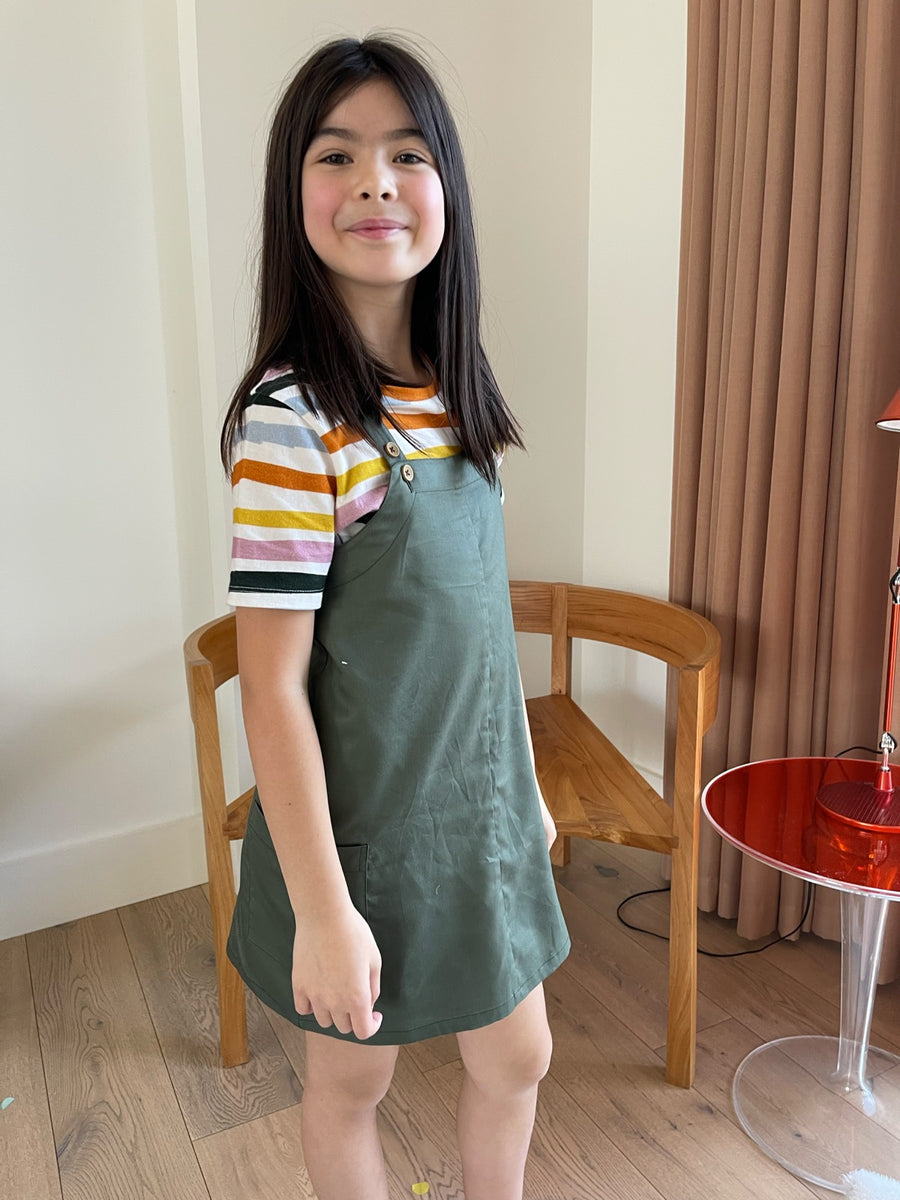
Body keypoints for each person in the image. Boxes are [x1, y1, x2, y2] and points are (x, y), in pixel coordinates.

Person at [221, 35, 570, 1200]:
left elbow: (474, 637)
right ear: (296, 196)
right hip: (354, 836)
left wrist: (520, 795)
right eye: (338, 155)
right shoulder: (293, 421)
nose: (375, 180)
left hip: (476, 817)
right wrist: (323, 914)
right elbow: (271, 684)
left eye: (406, 153)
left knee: (519, 1049)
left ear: (446, 193)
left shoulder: (460, 397)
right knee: (350, 1084)